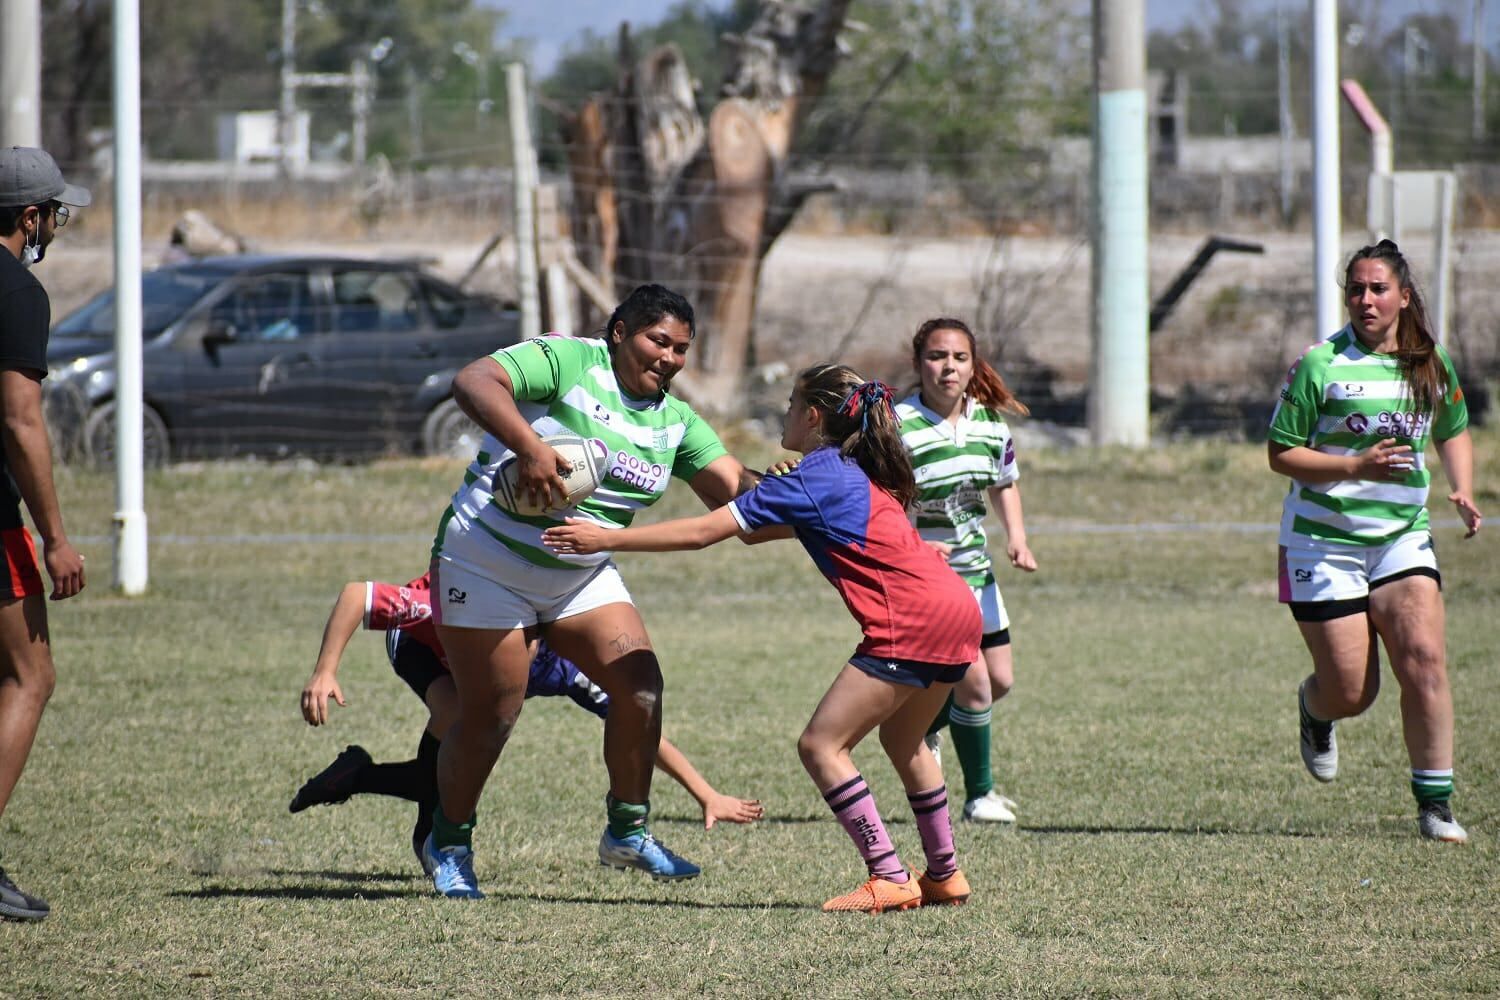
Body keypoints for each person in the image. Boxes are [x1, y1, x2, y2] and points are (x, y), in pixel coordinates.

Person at [544, 364, 982, 914]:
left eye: (791, 406)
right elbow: (762, 531)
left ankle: (889, 874)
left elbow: (708, 533)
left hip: (913, 620)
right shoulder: (848, 468)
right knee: (905, 743)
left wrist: (605, 538)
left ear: (813, 416)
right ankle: (944, 875)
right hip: (957, 609)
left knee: (822, 746)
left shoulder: (817, 475)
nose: (785, 415)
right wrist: (777, 482)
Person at [424, 284, 759, 898]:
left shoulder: (673, 421)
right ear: (620, 331)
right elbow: (474, 381)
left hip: (579, 572)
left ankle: (626, 832)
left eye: (682, 349)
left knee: (641, 690)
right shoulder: (571, 361)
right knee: (493, 715)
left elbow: (734, 488)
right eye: (659, 341)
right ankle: (448, 841)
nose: (670, 358)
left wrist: (808, 490)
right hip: (485, 561)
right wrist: (531, 448)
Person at [290, 570, 764, 872]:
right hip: (419, 647)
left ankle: (358, 776)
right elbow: (359, 595)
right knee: (460, 718)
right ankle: (373, 787)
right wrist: (324, 670)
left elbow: (638, 729)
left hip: (470, 672)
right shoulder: (441, 610)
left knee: (455, 770)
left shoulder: (557, 665)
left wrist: (707, 794)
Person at [1268, 239, 1481, 844]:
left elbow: (1454, 429)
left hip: (1401, 539)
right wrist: (1353, 468)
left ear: (1403, 297)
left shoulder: (1430, 363)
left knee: (1425, 661)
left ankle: (1435, 805)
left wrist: (1462, 488)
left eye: (1378, 288)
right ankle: (1316, 708)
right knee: (1352, 691)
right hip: (1321, 542)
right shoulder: (1320, 364)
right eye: (1356, 289)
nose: (1365, 299)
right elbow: (1280, 452)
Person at [896, 318, 1036, 825]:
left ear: (973, 365)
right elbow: (880, 502)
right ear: (918, 364)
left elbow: (1004, 483)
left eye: (958, 358)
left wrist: (1016, 538)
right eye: (936, 356)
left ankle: (923, 723)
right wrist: (911, 549)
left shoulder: (990, 425)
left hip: (977, 572)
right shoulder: (897, 426)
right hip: (925, 580)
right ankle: (980, 796)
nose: (947, 367)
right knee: (973, 682)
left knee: (999, 681)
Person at [0, 148, 90, 922]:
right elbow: (19, 417)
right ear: (29, 218)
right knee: (31, 676)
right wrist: (54, 536)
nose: (56, 225)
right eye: (54, 213)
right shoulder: (16, 290)